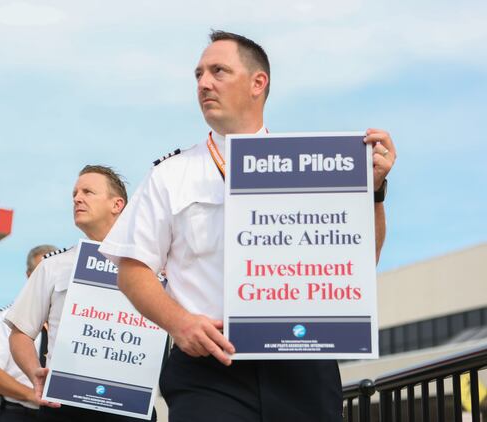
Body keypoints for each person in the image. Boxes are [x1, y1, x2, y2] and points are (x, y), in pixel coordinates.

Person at [99, 30, 397, 422]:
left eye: (218, 71)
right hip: (211, 368)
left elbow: (360, 265)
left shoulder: (315, 168)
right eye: (199, 75)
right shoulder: (170, 175)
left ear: (258, 83)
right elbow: (132, 270)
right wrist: (180, 323)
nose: (204, 83)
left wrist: (374, 192)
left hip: (303, 365)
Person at [7, 165, 156, 421]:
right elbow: (20, 331)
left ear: (117, 204)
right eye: (75, 193)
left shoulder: (154, 264)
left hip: (132, 404)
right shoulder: (54, 266)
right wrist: (34, 372)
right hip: (64, 405)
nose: (77, 198)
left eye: (88, 192)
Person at [0, 245, 57, 422]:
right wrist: (32, 396)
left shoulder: (69, 321)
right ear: (29, 275)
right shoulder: (7, 318)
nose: (48, 279)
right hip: (20, 413)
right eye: (42, 273)